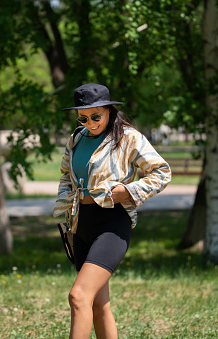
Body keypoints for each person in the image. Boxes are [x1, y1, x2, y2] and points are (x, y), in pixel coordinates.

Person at [53, 83, 171, 338]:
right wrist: (66, 200)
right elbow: (66, 174)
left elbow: (161, 172)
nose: (90, 123)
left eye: (96, 116)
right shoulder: (77, 138)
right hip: (80, 225)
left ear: (109, 111)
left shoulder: (128, 137)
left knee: (78, 296)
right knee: (99, 304)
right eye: (83, 118)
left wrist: (128, 192)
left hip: (111, 225)